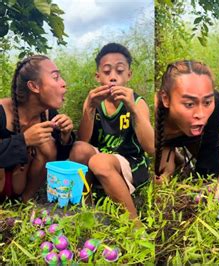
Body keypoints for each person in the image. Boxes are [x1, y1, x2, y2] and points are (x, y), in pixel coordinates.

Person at [69, 43, 154, 219]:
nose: (113, 77)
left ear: (129, 75)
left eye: (120, 71)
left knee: (100, 162)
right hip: (100, 157)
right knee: (77, 149)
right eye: (107, 72)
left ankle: (134, 225)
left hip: (130, 161)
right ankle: (89, 209)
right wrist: (90, 109)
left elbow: (151, 147)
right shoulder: (93, 100)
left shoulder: (137, 102)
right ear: (98, 76)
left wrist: (133, 110)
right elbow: (83, 141)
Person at [155, 60, 219, 181]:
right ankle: (181, 160)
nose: (201, 114)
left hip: (197, 135)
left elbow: (210, 153)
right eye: (189, 104)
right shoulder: (151, 113)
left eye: (207, 102)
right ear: (166, 99)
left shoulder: (214, 106)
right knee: (164, 174)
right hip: (166, 140)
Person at [0, 55, 74, 202]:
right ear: (34, 86)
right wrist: (24, 140)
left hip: (19, 185)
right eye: (56, 77)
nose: (64, 83)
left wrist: (65, 137)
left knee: (47, 144)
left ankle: (24, 202)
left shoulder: (48, 114)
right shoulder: (1, 111)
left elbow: (58, 160)